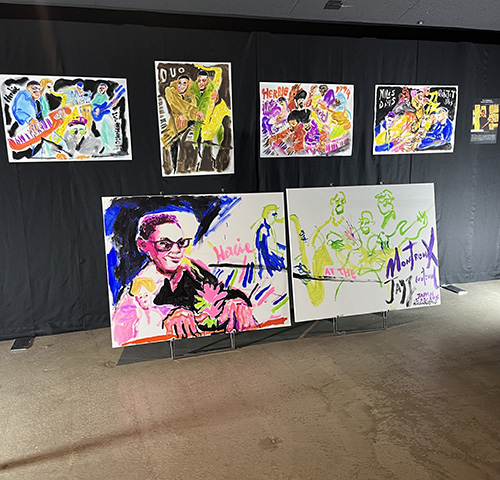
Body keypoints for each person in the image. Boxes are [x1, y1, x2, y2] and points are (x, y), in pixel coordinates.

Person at [113, 212, 256, 343]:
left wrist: (236, 302)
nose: (176, 251)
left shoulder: (193, 270)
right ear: (143, 245)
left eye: (181, 243)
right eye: (164, 244)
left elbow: (218, 289)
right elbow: (128, 330)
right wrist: (166, 319)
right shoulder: (139, 288)